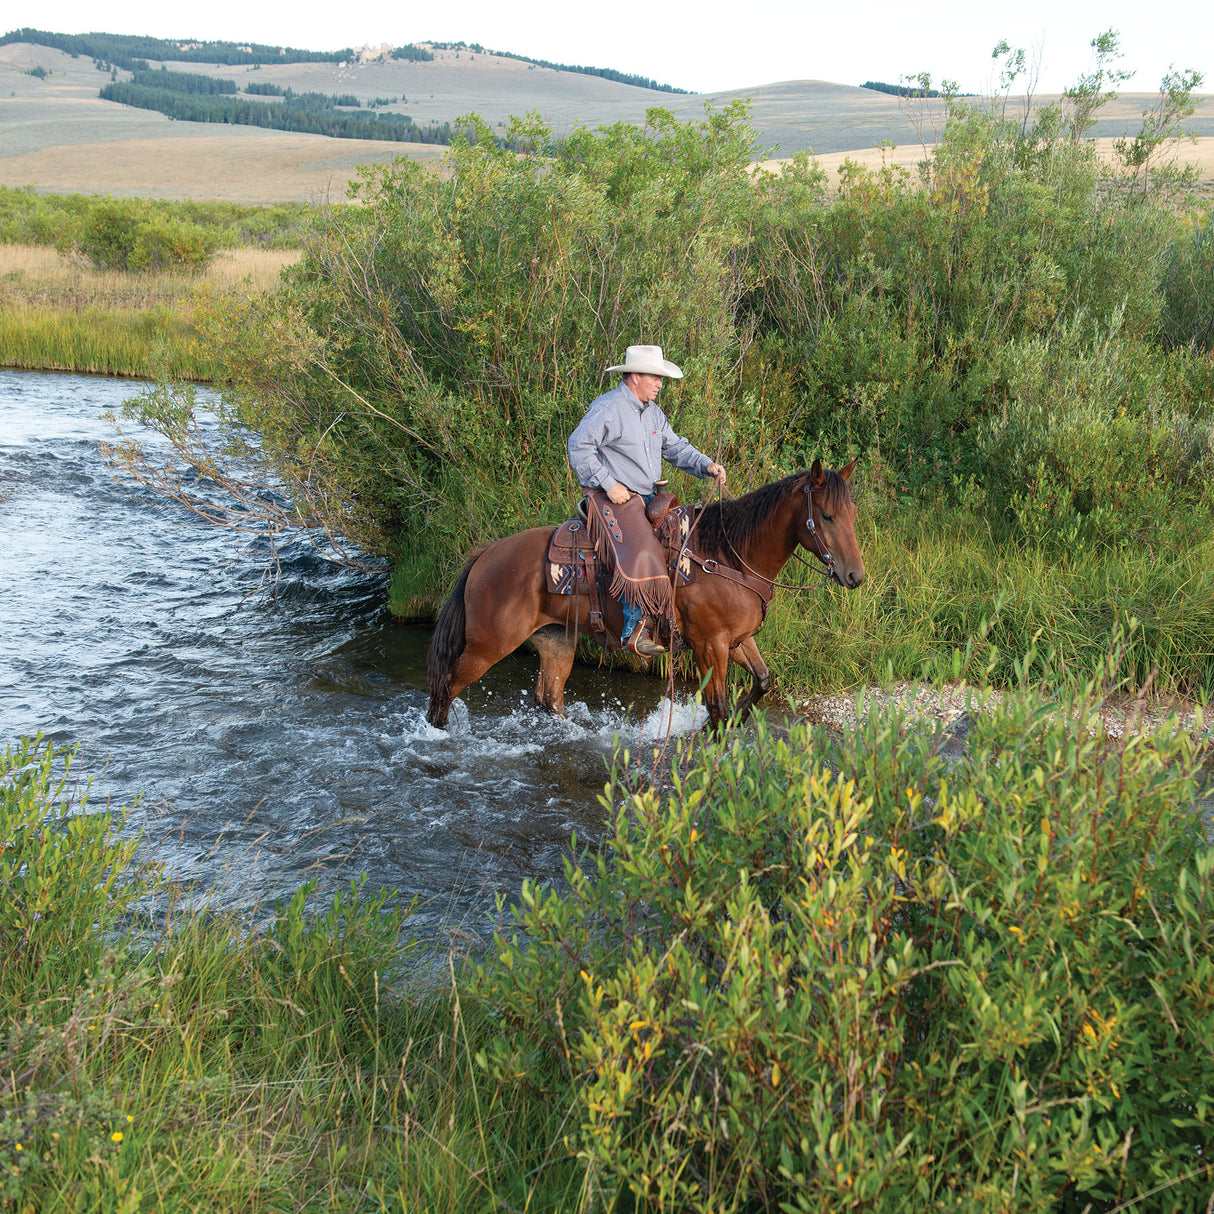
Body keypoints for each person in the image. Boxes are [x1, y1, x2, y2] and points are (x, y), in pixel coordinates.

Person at [568, 344, 727, 656]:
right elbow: (578, 446)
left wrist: (706, 465)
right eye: (655, 377)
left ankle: (676, 620)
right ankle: (634, 629)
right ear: (635, 376)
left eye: (660, 378)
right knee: (640, 547)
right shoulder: (609, 407)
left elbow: (675, 447)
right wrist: (609, 483)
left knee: (685, 540)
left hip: (647, 498)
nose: (660, 384)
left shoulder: (653, 412)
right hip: (611, 497)